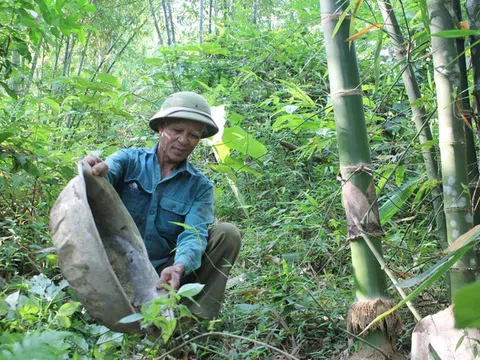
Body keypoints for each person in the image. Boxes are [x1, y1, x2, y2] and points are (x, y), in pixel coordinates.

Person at [84, 91, 241, 320]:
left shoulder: (200, 187)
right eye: (177, 131)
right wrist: (92, 171)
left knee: (227, 234)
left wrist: (179, 266)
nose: (184, 140)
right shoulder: (129, 160)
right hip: (114, 263)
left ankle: (193, 322)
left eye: (193, 135)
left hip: (162, 272)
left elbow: (193, 234)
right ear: (161, 128)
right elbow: (103, 177)